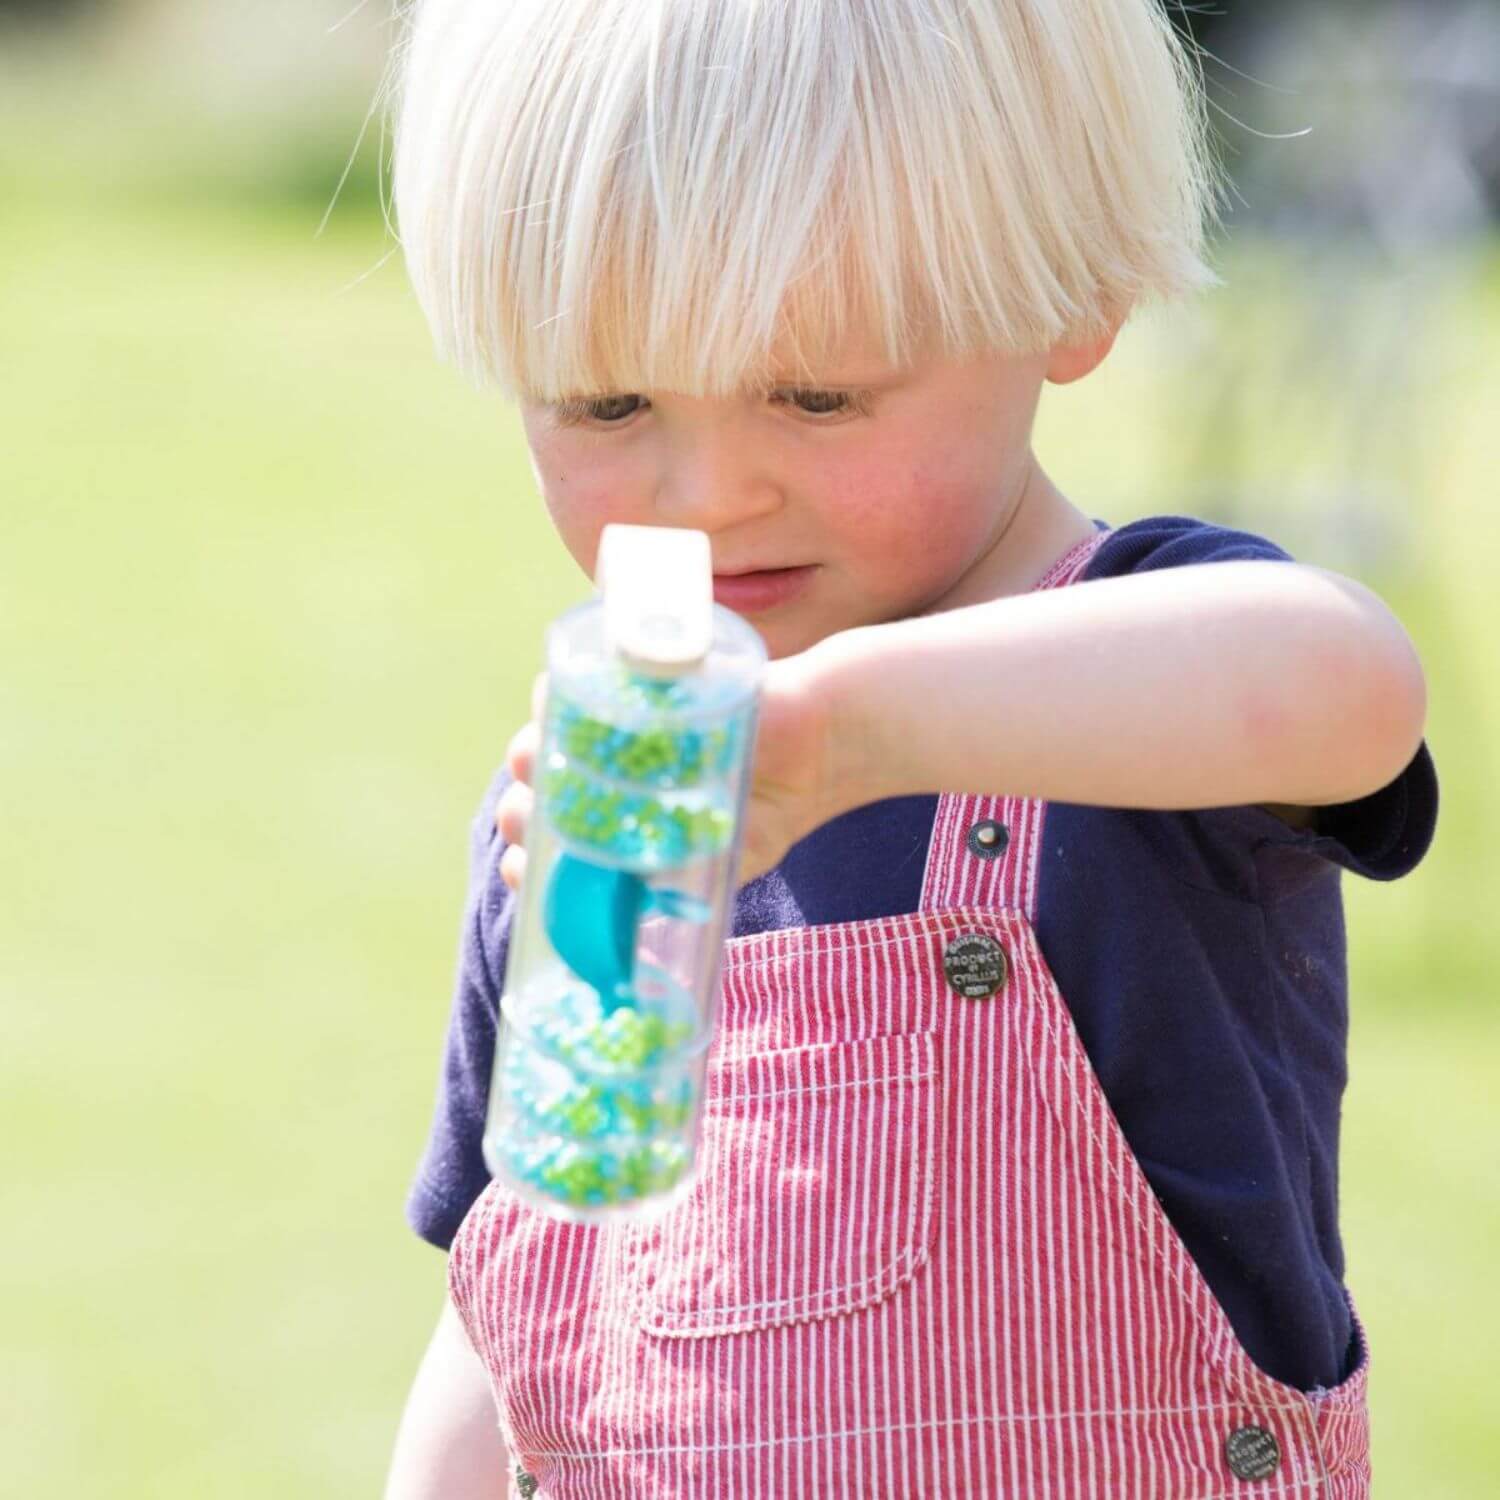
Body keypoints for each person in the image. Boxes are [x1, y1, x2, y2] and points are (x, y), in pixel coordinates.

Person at [381, 2, 1438, 1496]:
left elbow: (1346, 683)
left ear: (1068, 295)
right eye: (609, 403)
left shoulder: (1141, 666)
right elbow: (511, 1296)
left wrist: (849, 728)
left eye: (815, 397)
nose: (708, 494)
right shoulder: (595, 807)